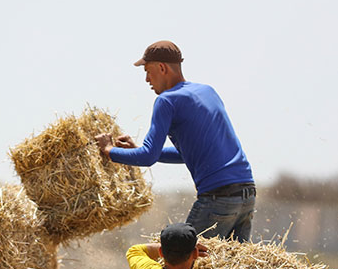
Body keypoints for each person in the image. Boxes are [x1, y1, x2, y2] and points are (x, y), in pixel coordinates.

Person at [97, 40, 256, 241]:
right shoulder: (208, 91)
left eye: (147, 71)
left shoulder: (166, 100)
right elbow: (188, 153)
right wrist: (137, 149)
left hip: (218, 198)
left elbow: (147, 157)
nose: (146, 79)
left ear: (162, 68)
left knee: (181, 264)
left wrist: (109, 150)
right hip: (247, 194)